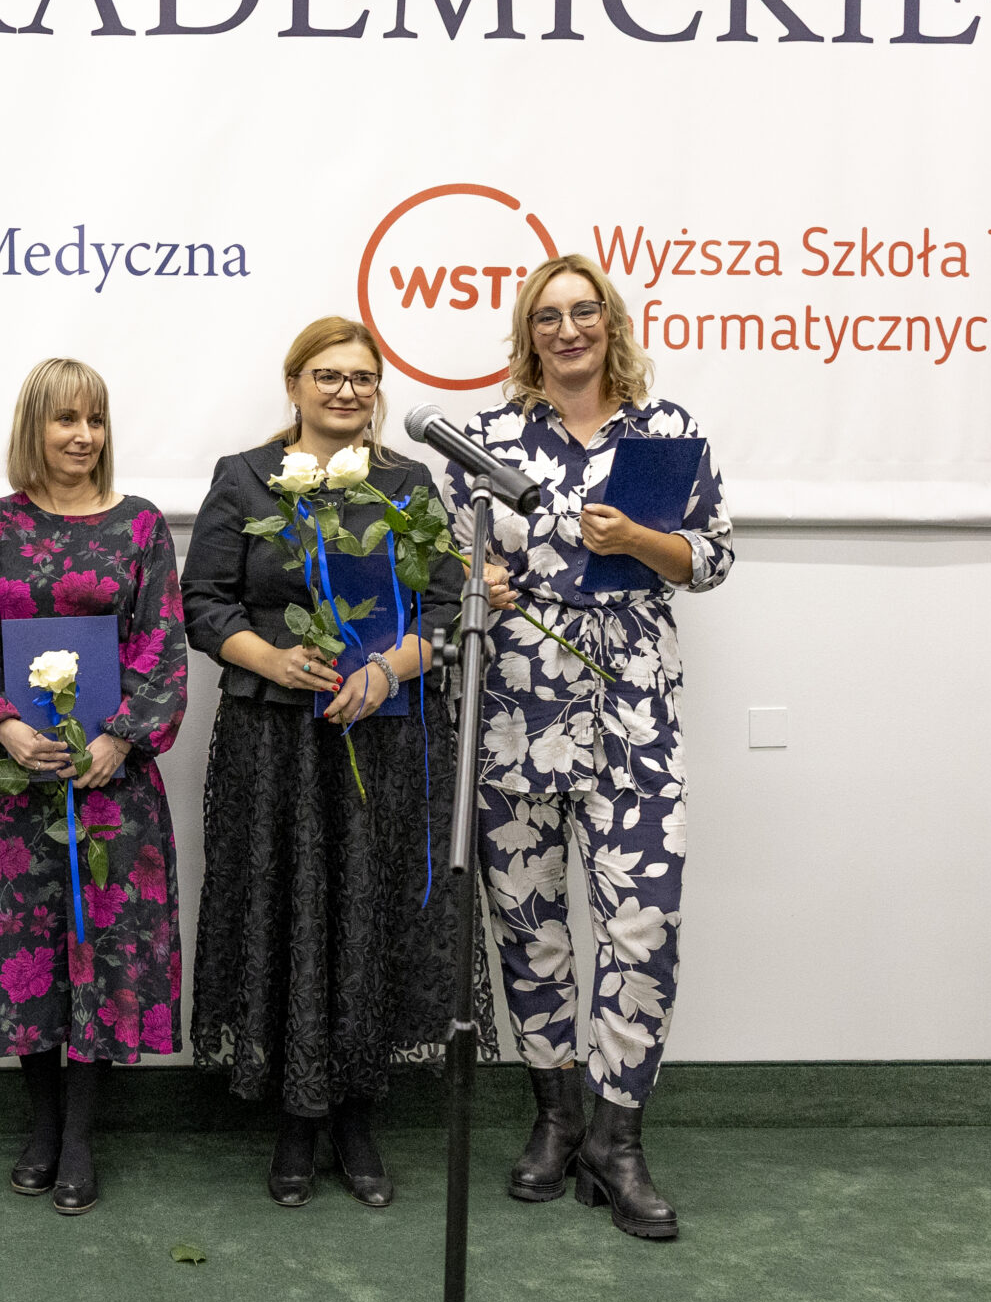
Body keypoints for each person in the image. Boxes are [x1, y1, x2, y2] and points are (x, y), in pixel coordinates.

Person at [446, 253, 733, 1242]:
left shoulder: (667, 431)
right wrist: (479, 583)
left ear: (610, 323)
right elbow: (450, 564)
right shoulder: (483, 441)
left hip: (634, 712)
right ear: (527, 335)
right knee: (529, 923)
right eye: (548, 316)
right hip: (517, 705)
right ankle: (556, 1119)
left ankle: (618, 1140)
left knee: (643, 921)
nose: (567, 329)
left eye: (584, 311)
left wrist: (638, 544)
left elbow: (712, 557)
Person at [184, 317, 483, 1209]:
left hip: (383, 739)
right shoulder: (245, 477)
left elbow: (446, 605)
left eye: (362, 376)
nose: (347, 390)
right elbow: (203, 602)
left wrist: (387, 670)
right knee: (287, 908)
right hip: (274, 739)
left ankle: (356, 1112)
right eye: (328, 375)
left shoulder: (408, 483)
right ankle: (294, 1114)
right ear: (295, 385)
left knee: (369, 911)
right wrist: (273, 659)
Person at [0, 357, 188, 1216]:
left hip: (113, 785)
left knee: (100, 948)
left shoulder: (142, 525)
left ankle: (80, 1135)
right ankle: (40, 1125)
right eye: (65, 419)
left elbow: (162, 646)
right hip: (13, 785)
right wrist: (5, 726)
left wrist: (117, 740)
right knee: (25, 953)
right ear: (33, 427)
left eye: (95, 420)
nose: (83, 436)